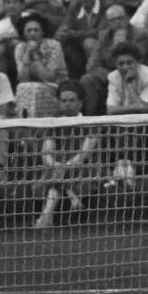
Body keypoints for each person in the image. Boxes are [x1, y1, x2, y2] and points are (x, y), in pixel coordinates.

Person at [35, 81, 98, 229]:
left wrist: (64, 166)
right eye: (64, 100)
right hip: (58, 168)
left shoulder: (91, 124)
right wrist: (56, 165)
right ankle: (62, 203)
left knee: (58, 169)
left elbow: (84, 154)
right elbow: (46, 153)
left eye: (71, 100)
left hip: (83, 170)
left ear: (80, 103)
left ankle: (46, 216)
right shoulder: (53, 124)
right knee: (55, 165)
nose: (67, 104)